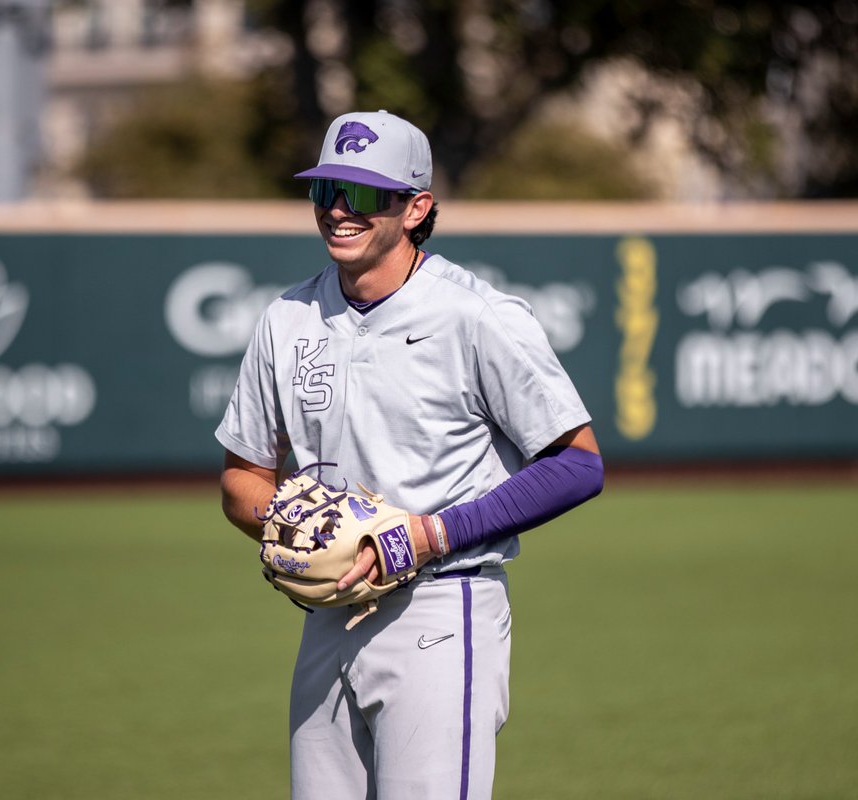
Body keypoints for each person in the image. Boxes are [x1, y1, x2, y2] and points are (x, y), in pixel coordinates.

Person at [216, 109, 604, 800]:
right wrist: (290, 525)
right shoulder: (286, 319)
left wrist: (428, 535)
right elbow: (242, 477)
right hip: (326, 616)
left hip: (440, 611)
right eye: (325, 191)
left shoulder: (477, 316)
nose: (339, 210)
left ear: (416, 206)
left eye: (363, 194)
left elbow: (578, 464)